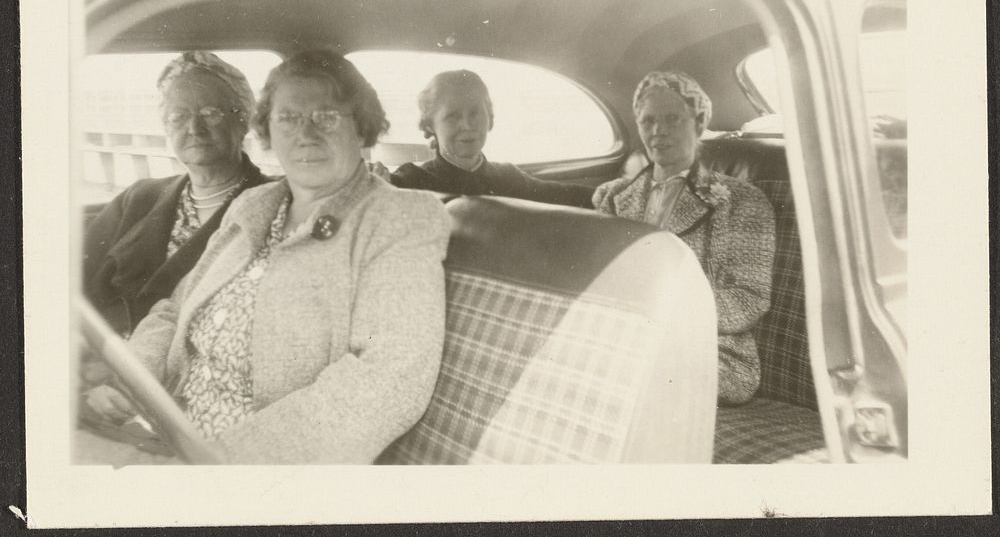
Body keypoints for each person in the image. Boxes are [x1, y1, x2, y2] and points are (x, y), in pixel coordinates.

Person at [80, 50, 451, 464]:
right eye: (289, 119)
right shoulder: (253, 205)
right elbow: (172, 310)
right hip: (161, 426)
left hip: (245, 464)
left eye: (326, 116)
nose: (306, 134)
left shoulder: (401, 216)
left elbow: (389, 379)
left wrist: (225, 463)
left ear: (362, 127)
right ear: (268, 132)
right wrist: (129, 381)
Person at [592, 71, 775, 405]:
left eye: (673, 119)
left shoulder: (742, 201)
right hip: (625, 340)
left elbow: (750, 299)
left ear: (700, 122)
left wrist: (666, 313)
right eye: (648, 121)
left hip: (710, 354)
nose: (658, 131)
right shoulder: (611, 197)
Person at [83, 51, 269, 336]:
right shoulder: (138, 197)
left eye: (210, 113)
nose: (195, 128)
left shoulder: (270, 202)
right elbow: (74, 278)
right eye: (178, 116)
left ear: (243, 120)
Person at [391, 69, 593, 207]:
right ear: (430, 125)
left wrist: (610, 194)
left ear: (489, 117)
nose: (467, 125)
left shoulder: (508, 177)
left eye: (475, 113)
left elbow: (561, 194)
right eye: (452, 116)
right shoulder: (411, 180)